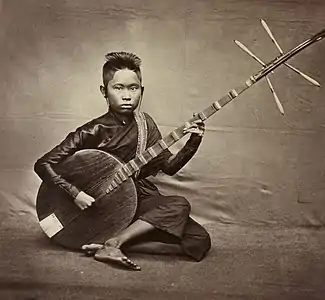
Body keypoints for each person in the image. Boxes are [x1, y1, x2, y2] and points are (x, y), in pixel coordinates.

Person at [34, 52, 211, 271]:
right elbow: (43, 164)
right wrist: (75, 193)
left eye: (133, 88)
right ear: (104, 91)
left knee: (198, 239)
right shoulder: (93, 131)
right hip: (96, 208)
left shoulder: (146, 125)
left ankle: (111, 242)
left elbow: (170, 167)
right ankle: (114, 243)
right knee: (179, 210)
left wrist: (194, 139)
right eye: (118, 88)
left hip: (135, 198)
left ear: (142, 91)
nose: (127, 95)